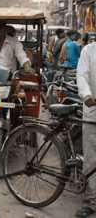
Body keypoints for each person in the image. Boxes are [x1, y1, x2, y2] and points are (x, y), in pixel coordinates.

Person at [76, 43, 96, 217]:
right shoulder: (88, 51)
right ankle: (90, 201)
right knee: (91, 159)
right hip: (92, 112)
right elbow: (82, 76)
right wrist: (87, 94)